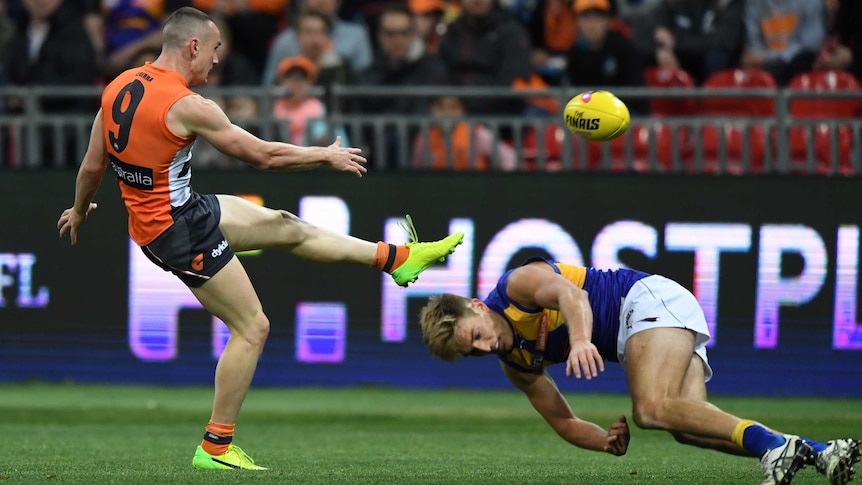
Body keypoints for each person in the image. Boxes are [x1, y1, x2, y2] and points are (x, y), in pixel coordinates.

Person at [56, 7, 464, 471]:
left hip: (180, 210)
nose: (215, 61)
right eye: (213, 50)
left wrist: (80, 207)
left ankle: (397, 259)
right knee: (253, 327)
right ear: (192, 47)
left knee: (286, 224)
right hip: (175, 229)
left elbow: (93, 164)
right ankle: (215, 446)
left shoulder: (119, 85)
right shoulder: (188, 105)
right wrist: (324, 155)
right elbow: (263, 156)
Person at [419, 256, 861, 485]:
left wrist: (579, 340)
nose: (486, 346)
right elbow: (564, 421)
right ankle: (817, 451)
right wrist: (605, 442)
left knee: (651, 409)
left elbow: (575, 298)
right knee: (687, 424)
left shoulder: (516, 286)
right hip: (648, 322)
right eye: (472, 352)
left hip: (646, 299)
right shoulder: (515, 364)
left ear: (477, 306)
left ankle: (773, 447)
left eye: (476, 335)